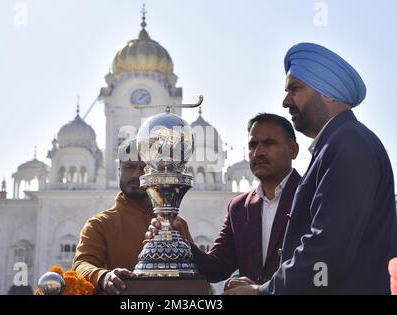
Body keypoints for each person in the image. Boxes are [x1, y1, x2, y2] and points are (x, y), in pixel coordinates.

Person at [225, 42, 397, 295]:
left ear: (327, 92)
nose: (285, 101)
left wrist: (264, 291)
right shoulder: (336, 143)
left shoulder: (349, 143)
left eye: (295, 89)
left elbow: (328, 247)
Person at [147, 113, 301, 287]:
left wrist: (262, 291)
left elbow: (316, 264)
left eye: (269, 143)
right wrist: (181, 239)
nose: (258, 152)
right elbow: (216, 268)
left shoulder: (311, 196)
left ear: (293, 150)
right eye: (252, 145)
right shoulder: (240, 207)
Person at [72, 139, 192, 295]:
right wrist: (104, 276)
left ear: (157, 172)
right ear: (119, 170)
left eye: (145, 168)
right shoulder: (100, 224)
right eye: (129, 167)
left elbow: (197, 273)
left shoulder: (176, 224)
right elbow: (82, 264)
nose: (136, 174)